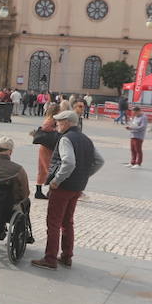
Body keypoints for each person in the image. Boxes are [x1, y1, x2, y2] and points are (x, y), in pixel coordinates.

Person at [32, 110, 98, 271]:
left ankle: (50, 258)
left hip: (63, 187)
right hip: (77, 187)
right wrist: (84, 174)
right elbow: (99, 161)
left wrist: (56, 180)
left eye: (59, 122)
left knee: (54, 222)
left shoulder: (66, 139)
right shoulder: (86, 139)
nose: (57, 125)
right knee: (67, 222)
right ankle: (67, 256)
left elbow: (69, 162)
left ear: (67, 122)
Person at [30, 115, 59, 200]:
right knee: (49, 169)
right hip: (47, 148)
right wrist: (56, 129)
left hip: (47, 147)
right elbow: (45, 128)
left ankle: (39, 191)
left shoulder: (51, 119)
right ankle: (50, 192)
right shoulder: (51, 120)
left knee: (43, 170)